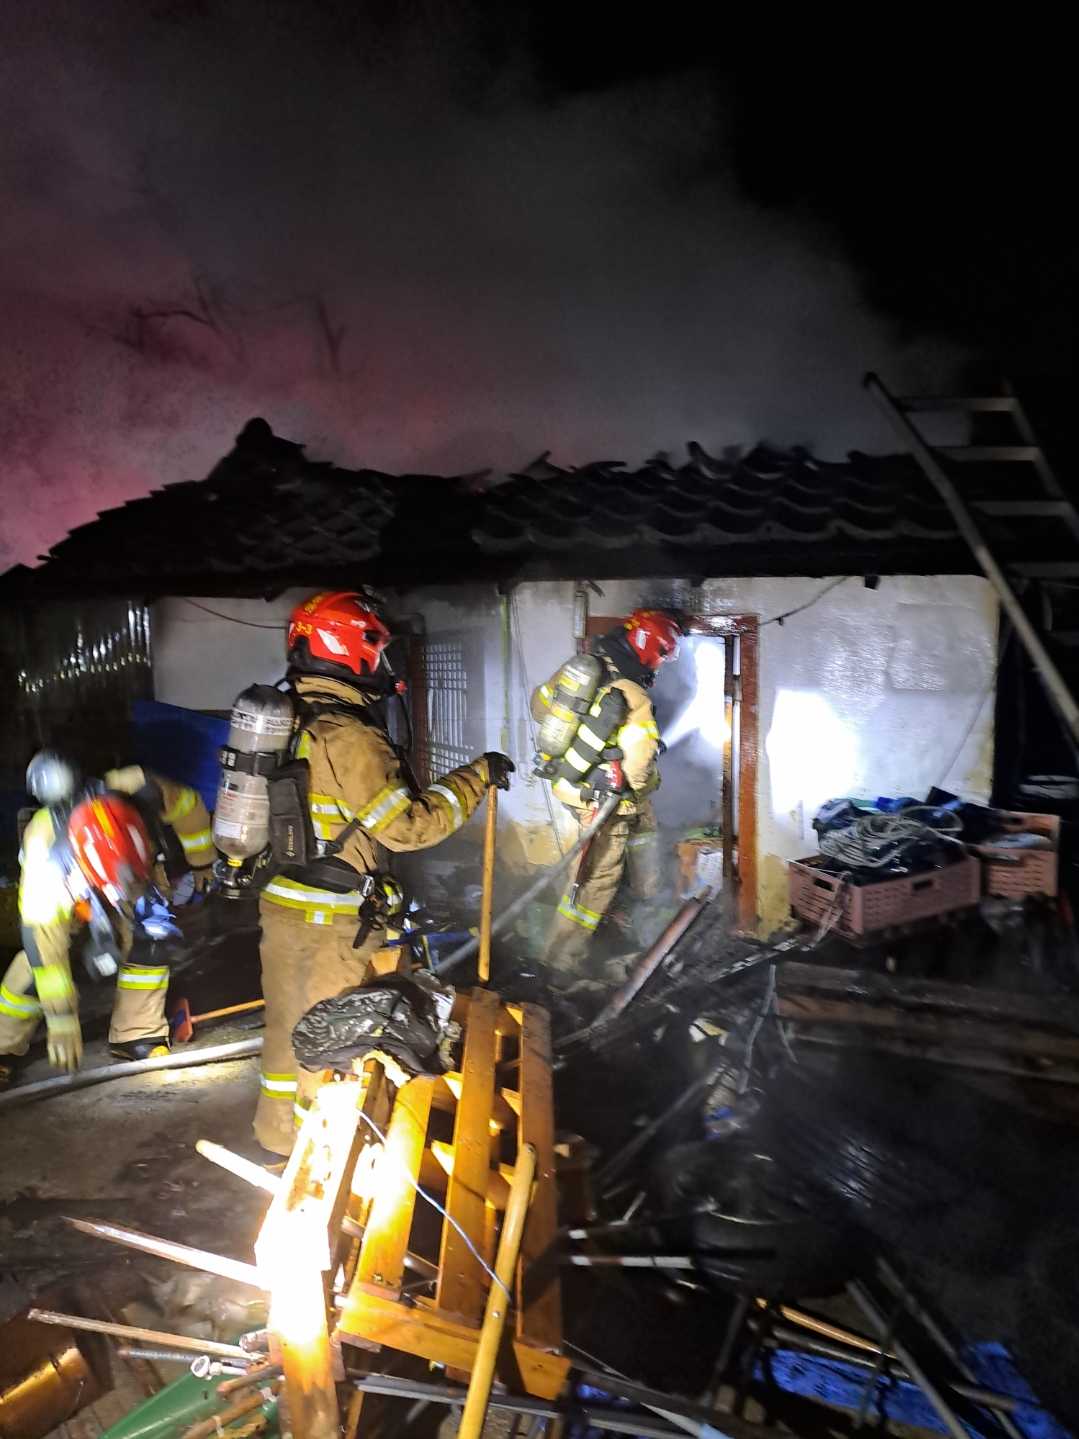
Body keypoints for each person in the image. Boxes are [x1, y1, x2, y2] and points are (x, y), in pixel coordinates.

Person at [253, 590, 513, 1156]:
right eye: (373, 648)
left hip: (281, 906)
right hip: (332, 923)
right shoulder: (350, 735)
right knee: (335, 1039)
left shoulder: (286, 719)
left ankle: (278, 1139)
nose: (379, 661)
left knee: (286, 1029)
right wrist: (476, 777)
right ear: (349, 648)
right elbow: (408, 828)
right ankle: (323, 1163)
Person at [0, 758, 215, 1088]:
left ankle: (137, 1033)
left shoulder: (142, 789)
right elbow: (44, 946)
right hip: (74, 895)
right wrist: (61, 1017)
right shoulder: (46, 858)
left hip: (135, 873)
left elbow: (189, 807)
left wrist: (203, 861)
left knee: (152, 937)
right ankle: (4, 1044)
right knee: (35, 968)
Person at [532, 609, 682, 986]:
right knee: (595, 880)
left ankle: (642, 904)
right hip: (606, 801)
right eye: (662, 655)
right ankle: (559, 961)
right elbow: (638, 766)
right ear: (652, 649)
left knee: (642, 831)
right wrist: (641, 780)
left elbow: (539, 707)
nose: (660, 663)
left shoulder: (582, 667)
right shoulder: (634, 694)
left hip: (572, 786)